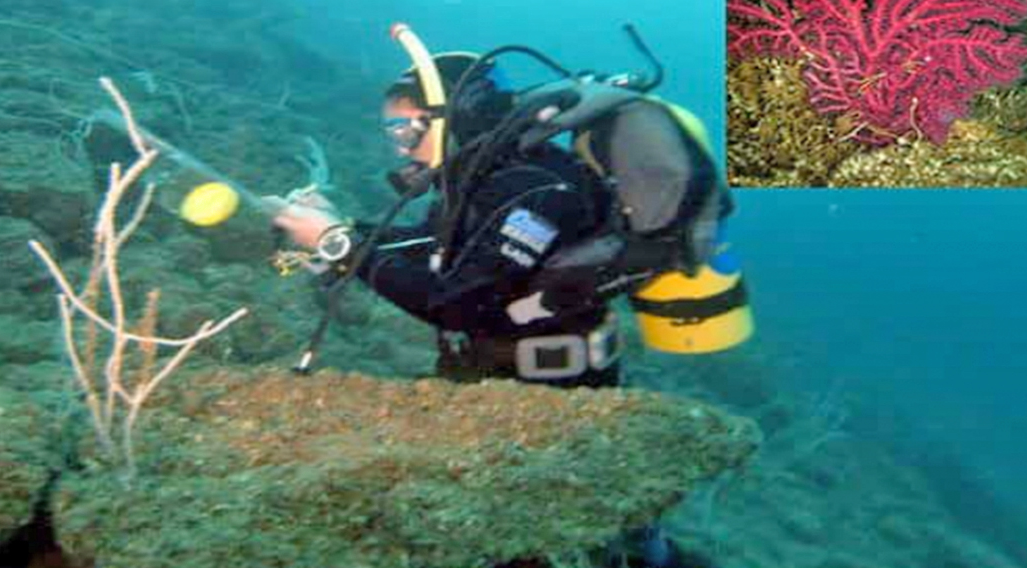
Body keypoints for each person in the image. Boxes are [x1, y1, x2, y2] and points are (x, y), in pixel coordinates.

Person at [272, 36, 751, 568]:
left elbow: (455, 305)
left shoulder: (534, 192)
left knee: (546, 544)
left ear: (458, 117)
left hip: (554, 397)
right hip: (504, 380)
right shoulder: (485, 178)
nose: (401, 146)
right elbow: (433, 246)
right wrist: (341, 230)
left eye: (408, 129)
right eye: (392, 131)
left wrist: (340, 245)